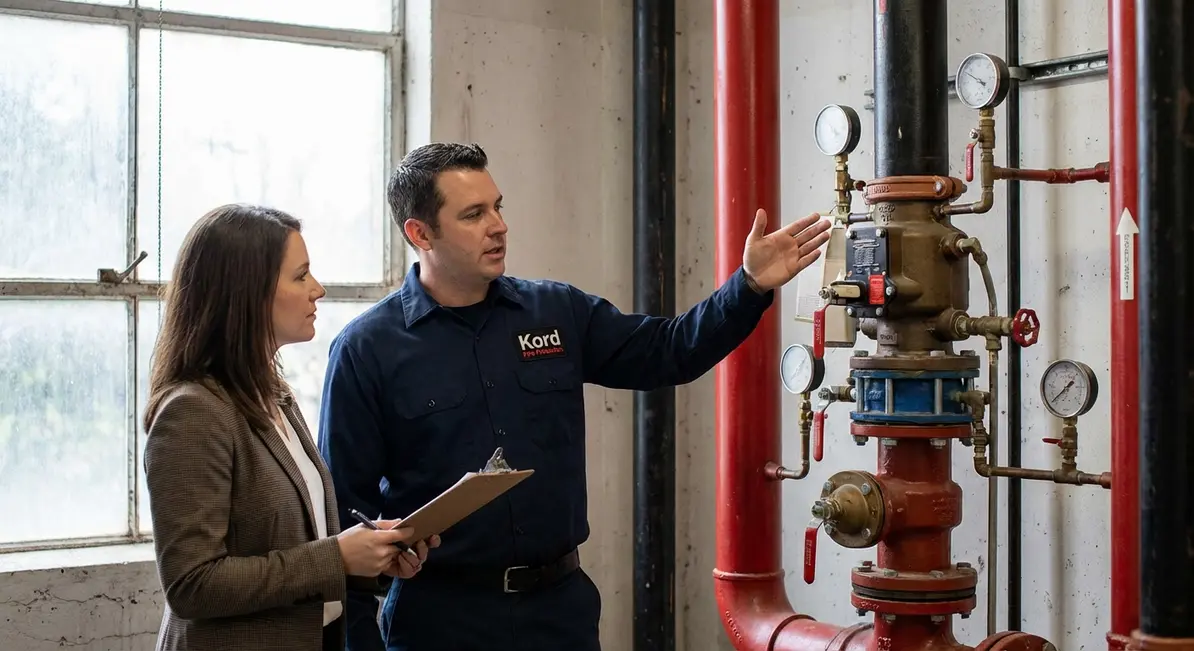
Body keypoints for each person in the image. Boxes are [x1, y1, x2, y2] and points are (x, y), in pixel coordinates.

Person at [317, 143, 831, 651]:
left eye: (498, 207)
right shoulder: (367, 350)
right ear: (419, 233)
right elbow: (346, 519)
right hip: (439, 619)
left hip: (558, 614)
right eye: (474, 214)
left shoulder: (554, 312)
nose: (498, 225)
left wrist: (747, 286)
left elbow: (669, 351)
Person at [141, 203, 440, 651]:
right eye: (300, 276)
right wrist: (337, 556)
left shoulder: (274, 394)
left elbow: (300, 543)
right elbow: (192, 583)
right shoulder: (193, 412)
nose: (317, 290)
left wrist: (370, 557)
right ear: (247, 292)